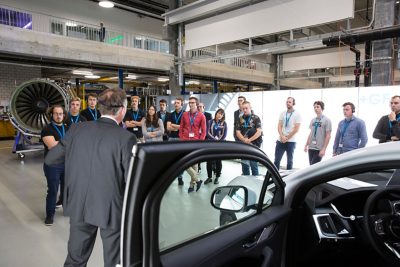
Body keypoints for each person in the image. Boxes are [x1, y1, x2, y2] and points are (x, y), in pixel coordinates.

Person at [45, 88, 137, 267]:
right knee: (115, 261)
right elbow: (132, 179)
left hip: (79, 204)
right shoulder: (126, 138)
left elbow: (51, 159)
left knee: (75, 260)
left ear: (100, 108)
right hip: (110, 209)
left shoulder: (76, 129)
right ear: (122, 110)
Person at [41, 105, 69, 226]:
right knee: (53, 190)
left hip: (67, 163)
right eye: (56, 113)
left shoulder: (68, 127)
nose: (58, 116)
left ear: (64, 115)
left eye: (61, 113)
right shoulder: (47, 129)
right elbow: (52, 145)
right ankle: (50, 215)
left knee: (66, 188)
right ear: (52, 115)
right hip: (52, 165)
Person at [179, 96, 206, 192]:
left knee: (194, 164)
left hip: (196, 142)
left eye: (192, 103)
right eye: (189, 102)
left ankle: (192, 185)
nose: (190, 104)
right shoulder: (185, 114)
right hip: (185, 141)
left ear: (196, 104)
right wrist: (182, 138)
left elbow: (203, 131)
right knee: (184, 163)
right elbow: (181, 127)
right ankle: (198, 180)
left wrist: (200, 142)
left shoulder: (201, 116)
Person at [274, 97, 302, 170]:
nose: (288, 103)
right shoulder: (283, 113)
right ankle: (274, 177)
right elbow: (279, 126)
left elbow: (296, 129)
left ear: (293, 103)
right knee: (276, 160)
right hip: (280, 140)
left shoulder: (297, 114)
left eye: (290, 102)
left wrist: (286, 138)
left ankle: (289, 179)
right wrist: (282, 136)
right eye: (287, 102)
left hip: (291, 141)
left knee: (289, 161)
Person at [235, 101, 262, 175]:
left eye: (246, 108)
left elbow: (259, 132)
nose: (245, 110)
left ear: (250, 108)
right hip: (243, 145)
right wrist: (244, 140)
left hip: (254, 145)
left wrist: (249, 140)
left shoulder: (256, 118)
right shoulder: (240, 119)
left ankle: (255, 184)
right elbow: (238, 132)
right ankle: (246, 183)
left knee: (254, 166)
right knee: (245, 166)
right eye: (243, 108)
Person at [304, 101, 332, 165]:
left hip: (319, 148)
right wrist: (306, 145)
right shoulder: (313, 120)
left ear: (322, 108)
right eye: (314, 107)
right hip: (311, 147)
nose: (316, 108)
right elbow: (311, 133)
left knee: (313, 167)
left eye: (317, 107)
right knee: (311, 166)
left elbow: (328, 135)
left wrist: (324, 149)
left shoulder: (327, 120)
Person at [205, 108, 227, 185]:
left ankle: (217, 177)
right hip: (210, 144)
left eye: (221, 114)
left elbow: (224, 135)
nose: (220, 115)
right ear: (216, 113)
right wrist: (214, 139)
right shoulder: (210, 122)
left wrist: (218, 141)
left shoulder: (224, 123)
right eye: (218, 113)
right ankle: (209, 177)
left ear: (223, 116)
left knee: (218, 161)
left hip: (220, 145)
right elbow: (207, 132)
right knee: (209, 161)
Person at [167, 97, 185, 185]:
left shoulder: (185, 114)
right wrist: (179, 127)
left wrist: (174, 126)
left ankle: (180, 177)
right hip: (171, 138)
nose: (176, 104)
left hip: (181, 138)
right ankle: (169, 177)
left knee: (181, 159)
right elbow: (168, 127)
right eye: (175, 103)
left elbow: (185, 127)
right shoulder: (171, 114)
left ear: (182, 104)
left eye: (178, 103)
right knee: (170, 158)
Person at [197, 102, 212, 172]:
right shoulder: (196, 115)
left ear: (204, 107)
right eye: (198, 107)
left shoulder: (208, 115)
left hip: (206, 136)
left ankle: (212, 167)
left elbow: (210, 127)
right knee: (198, 152)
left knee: (207, 153)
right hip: (198, 136)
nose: (199, 108)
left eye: (200, 107)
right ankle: (198, 166)